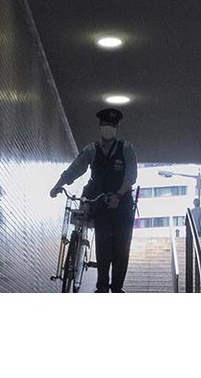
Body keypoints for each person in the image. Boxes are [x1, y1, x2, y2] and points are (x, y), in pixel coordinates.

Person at [50, 107, 138, 293]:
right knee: (103, 247)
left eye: (112, 125)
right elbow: (75, 169)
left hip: (122, 205)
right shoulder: (92, 150)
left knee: (122, 247)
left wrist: (118, 195)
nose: (108, 127)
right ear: (100, 126)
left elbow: (130, 176)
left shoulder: (126, 149)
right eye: (105, 124)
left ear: (116, 127)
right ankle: (102, 288)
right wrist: (58, 185)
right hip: (101, 204)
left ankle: (117, 288)